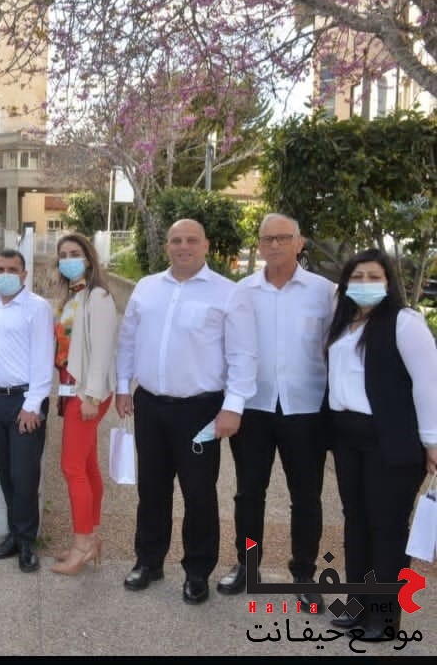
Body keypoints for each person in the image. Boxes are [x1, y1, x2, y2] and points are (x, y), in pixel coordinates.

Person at [115, 219, 255, 604]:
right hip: (150, 405)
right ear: (167, 247)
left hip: (200, 410)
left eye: (192, 240)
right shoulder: (147, 288)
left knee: (199, 494)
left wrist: (233, 407)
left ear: (206, 245)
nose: (183, 246)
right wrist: (123, 386)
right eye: (176, 240)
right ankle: (148, 561)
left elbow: (243, 356)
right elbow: (128, 341)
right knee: (152, 489)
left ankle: (197, 571)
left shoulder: (227, 293)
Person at [215, 214, 334, 607]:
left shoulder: (325, 292)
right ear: (259, 245)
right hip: (254, 406)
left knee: (307, 497)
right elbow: (230, 349)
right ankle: (247, 565)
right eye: (268, 239)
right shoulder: (242, 291)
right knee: (249, 494)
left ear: (300, 243)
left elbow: (337, 348)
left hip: (306, 409)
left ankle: (304, 573)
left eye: (284, 237)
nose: (275, 245)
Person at [324, 248, 437, 638]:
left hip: (390, 439)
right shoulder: (344, 323)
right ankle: (358, 606)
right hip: (348, 437)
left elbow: (427, 384)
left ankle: (385, 619)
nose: (365, 284)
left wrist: (432, 441)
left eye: (374, 277)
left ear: (388, 283)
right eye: (358, 277)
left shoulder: (405, 323)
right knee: (356, 523)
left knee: (386, 528)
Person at [0, 249, 54, 573]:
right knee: (7, 472)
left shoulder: (37, 308)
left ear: (24, 275)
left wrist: (32, 406)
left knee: (25, 476)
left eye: (12, 269)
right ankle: (13, 534)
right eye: (0, 269)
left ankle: (26, 543)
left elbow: (43, 359)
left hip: (25, 402)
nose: (5, 275)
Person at [51, 233, 117, 575]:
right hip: (72, 388)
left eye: (74, 253)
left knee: (72, 467)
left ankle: (82, 545)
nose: (68, 259)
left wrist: (91, 396)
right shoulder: (71, 298)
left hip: (87, 392)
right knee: (87, 465)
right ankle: (90, 538)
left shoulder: (98, 297)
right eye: (63, 255)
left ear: (89, 259)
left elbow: (103, 350)